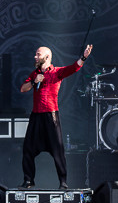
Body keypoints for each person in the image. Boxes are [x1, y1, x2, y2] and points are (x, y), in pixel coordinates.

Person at [19, 44, 93, 189]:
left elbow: (74, 67)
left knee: (58, 151)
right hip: (36, 117)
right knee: (27, 149)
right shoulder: (35, 74)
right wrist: (35, 81)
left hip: (51, 116)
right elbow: (23, 88)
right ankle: (28, 180)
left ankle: (63, 182)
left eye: (38, 54)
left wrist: (83, 57)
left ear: (47, 57)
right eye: (36, 54)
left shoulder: (57, 72)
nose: (35, 57)